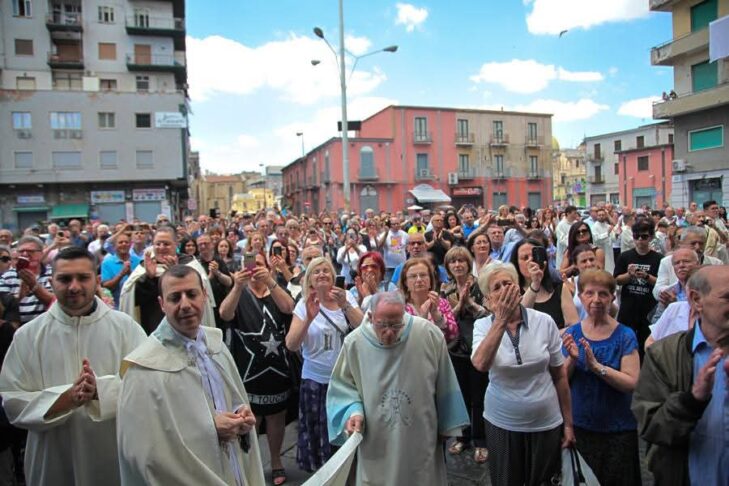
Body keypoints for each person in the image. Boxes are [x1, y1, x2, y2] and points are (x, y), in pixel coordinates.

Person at [0, 247, 146, 486]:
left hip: (111, 455)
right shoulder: (28, 336)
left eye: (83, 278)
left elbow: (147, 387)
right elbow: (12, 401)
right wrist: (66, 398)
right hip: (52, 458)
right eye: (65, 279)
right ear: (51, 282)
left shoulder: (125, 328)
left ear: (97, 280)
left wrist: (100, 391)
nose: (74, 286)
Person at [116, 265, 266, 485]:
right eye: (175, 297)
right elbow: (144, 453)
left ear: (204, 296)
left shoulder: (216, 346)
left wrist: (240, 416)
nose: (185, 305)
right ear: (162, 304)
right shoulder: (144, 368)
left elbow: (228, 399)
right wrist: (210, 431)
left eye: (192, 294)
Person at [326, 291, 469, 485]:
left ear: (404, 314)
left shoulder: (428, 334)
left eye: (396, 325)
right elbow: (344, 387)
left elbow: (445, 380)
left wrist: (447, 423)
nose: (389, 332)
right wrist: (354, 413)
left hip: (421, 435)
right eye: (382, 325)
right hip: (376, 439)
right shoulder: (355, 342)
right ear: (370, 317)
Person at [471, 262, 575, 486]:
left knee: (544, 481)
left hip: (546, 421)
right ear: (488, 299)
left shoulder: (543, 322)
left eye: (508, 283)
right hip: (502, 422)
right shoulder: (482, 326)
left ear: (518, 288)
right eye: (497, 287)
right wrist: (501, 320)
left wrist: (568, 424)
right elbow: (481, 363)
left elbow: (559, 376)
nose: (504, 290)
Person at [631, 265, 729, 486]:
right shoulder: (664, 355)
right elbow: (652, 427)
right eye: (727, 297)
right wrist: (692, 401)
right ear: (696, 300)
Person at [219, 252, 295, 486]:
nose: (254, 269)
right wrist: (237, 286)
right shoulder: (239, 292)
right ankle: (250, 466)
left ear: (269, 268)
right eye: (250, 265)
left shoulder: (276, 289)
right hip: (249, 371)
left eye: (259, 264)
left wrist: (270, 281)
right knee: (250, 418)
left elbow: (289, 307)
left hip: (278, 369)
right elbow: (225, 313)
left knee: (276, 417)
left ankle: (276, 461)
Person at [561, 270, 642, 486]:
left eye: (603, 294)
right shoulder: (572, 333)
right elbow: (561, 381)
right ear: (580, 297)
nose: (596, 300)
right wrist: (572, 359)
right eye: (589, 293)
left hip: (617, 430)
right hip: (580, 426)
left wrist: (597, 368)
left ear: (612, 297)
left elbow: (632, 383)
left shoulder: (625, 335)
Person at [285, 257, 364, 472]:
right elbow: (291, 344)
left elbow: (364, 327)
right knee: (321, 436)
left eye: (326, 270)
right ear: (309, 279)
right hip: (315, 381)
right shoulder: (303, 304)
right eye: (316, 271)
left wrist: (345, 305)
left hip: (345, 380)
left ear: (333, 276)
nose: (321, 274)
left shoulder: (346, 297)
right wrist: (309, 318)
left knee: (346, 435)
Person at [119, 226, 216, 334]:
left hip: (187, 325)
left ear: (176, 244)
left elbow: (200, 294)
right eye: (158, 244)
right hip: (153, 328)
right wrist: (148, 278)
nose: (161, 248)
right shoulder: (144, 266)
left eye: (166, 244)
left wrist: (176, 272)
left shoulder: (190, 264)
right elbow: (131, 299)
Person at [442, 246, 489, 463]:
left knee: (479, 396)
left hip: (477, 346)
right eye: (453, 261)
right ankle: (463, 437)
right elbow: (444, 320)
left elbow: (488, 314)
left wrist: (469, 303)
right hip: (455, 347)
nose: (457, 265)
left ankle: (481, 440)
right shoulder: (446, 289)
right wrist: (460, 304)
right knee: (460, 395)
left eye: (461, 260)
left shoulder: (479, 284)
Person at [614, 219, 663, 354]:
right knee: (624, 343)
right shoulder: (625, 256)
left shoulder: (659, 259)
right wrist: (629, 275)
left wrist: (646, 276)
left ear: (651, 237)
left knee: (645, 345)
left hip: (649, 309)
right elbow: (617, 280)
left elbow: (661, 284)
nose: (640, 240)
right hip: (628, 307)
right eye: (637, 236)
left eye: (644, 236)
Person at [511, 239, 579, 329]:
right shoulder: (513, 292)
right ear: (517, 263)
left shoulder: (560, 288)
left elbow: (574, 325)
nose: (531, 261)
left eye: (534, 256)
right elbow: (518, 320)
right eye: (525, 258)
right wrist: (535, 283)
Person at [652, 226, 723, 300]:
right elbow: (657, 291)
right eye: (693, 243)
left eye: (701, 243)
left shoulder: (716, 264)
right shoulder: (667, 262)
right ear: (681, 243)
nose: (697, 247)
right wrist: (677, 291)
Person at [398, 257, 459, 343]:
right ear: (405, 282)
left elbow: (452, 335)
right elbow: (400, 339)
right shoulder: (399, 308)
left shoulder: (442, 303)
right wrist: (422, 319)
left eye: (423, 275)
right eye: (413, 276)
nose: (419, 279)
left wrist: (436, 313)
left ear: (430, 280)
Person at [0, 236, 55, 324]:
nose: (25, 254)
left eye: (31, 251)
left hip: (47, 325)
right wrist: (18, 297)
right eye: (21, 251)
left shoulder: (54, 274)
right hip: (17, 328)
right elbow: (3, 310)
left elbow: (57, 304)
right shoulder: (6, 277)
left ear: (41, 253)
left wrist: (34, 286)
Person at [100, 232, 141, 309]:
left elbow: (142, 285)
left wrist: (130, 274)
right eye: (120, 242)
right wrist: (121, 274)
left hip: (135, 306)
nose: (124, 244)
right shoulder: (107, 262)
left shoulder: (138, 261)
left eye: (126, 242)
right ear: (114, 246)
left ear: (130, 245)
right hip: (116, 306)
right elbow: (106, 286)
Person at [379, 217, 408, 282]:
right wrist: (386, 233)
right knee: (389, 285)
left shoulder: (405, 234)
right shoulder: (384, 234)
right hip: (389, 267)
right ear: (390, 225)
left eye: (397, 223)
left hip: (401, 266)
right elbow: (379, 246)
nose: (396, 225)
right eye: (394, 224)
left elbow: (409, 245)